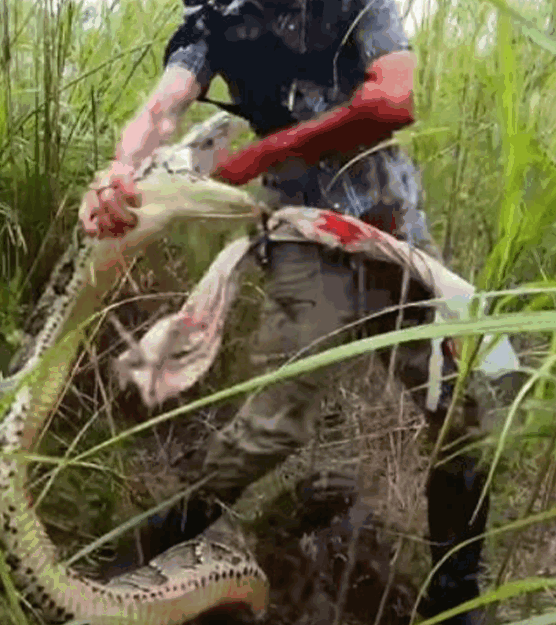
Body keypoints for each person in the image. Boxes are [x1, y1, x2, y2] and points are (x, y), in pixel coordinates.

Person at [81, 2, 493, 623]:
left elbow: (393, 101)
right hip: (306, 241)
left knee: (463, 415)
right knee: (271, 430)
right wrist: (120, 169)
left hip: (393, 230)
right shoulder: (218, 18)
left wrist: (265, 153)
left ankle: (455, 602)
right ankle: (138, 552)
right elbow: (164, 107)